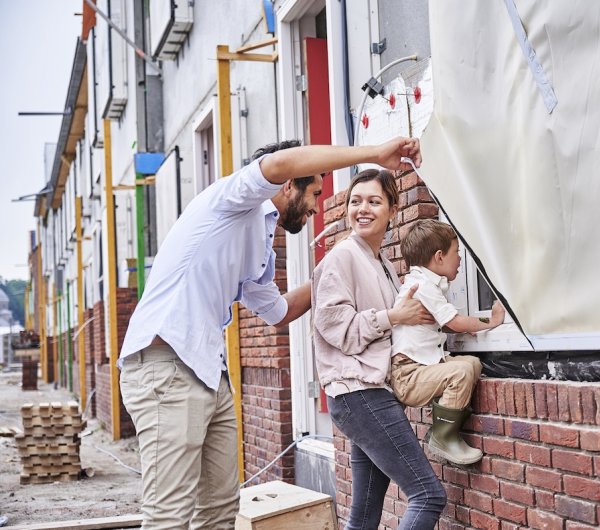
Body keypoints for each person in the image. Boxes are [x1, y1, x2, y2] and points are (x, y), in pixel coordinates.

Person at [118, 137, 421, 530]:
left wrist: (334, 269)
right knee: (169, 516)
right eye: (315, 193)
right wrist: (374, 154)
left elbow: (279, 312)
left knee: (219, 511)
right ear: (288, 184)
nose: (316, 207)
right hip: (167, 368)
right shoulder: (232, 199)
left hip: (209, 375)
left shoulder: (259, 244)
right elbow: (278, 163)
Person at [313, 168, 448, 529]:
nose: (363, 209)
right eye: (355, 201)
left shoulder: (382, 263)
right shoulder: (343, 256)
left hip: (366, 393)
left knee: (364, 515)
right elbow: (336, 327)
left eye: (374, 201)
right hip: (360, 393)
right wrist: (393, 316)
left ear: (393, 209)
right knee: (428, 495)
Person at [390, 219, 505, 465]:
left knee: (472, 363)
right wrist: (492, 321)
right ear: (439, 257)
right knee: (461, 372)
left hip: (420, 368)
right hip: (408, 375)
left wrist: (468, 326)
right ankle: (444, 437)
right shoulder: (423, 286)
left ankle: (441, 430)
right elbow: (454, 321)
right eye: (457, 252)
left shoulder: (426, 284)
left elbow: (448, 322)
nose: (460, 259)